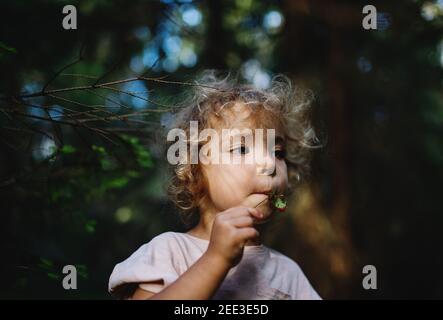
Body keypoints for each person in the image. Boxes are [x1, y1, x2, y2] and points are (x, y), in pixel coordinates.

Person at [108, 70, 321, 300]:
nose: (270, 163)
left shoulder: (288, 273)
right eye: (241, 149)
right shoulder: (169, 252)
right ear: (194, 172)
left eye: (277, 152)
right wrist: (215, 260)